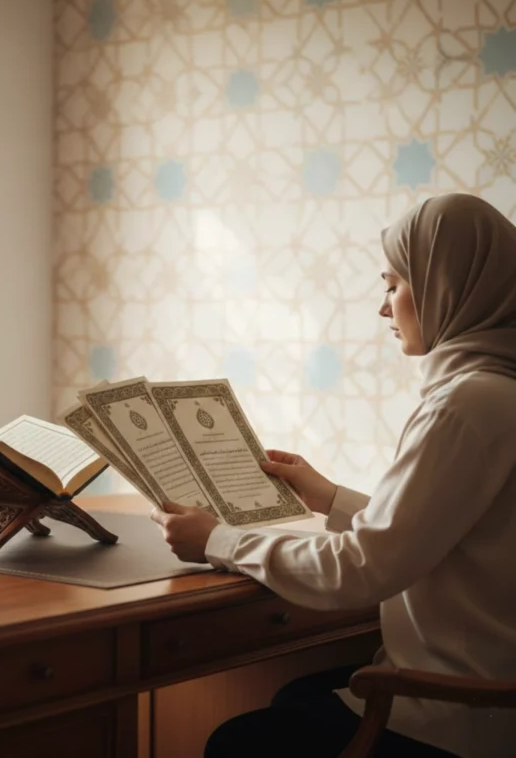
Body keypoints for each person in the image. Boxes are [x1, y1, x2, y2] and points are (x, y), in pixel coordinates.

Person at [149, 193, 516, 758]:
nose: (384, 307)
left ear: (449, 284)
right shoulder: (499, 393)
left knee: (235, 742)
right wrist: (330, 497)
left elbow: (362, 571)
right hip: (494, 700)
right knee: (295, 695)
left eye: (394, 284)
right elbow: (452, 532)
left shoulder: (462, 406)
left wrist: (215, 540)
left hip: (456, 716)